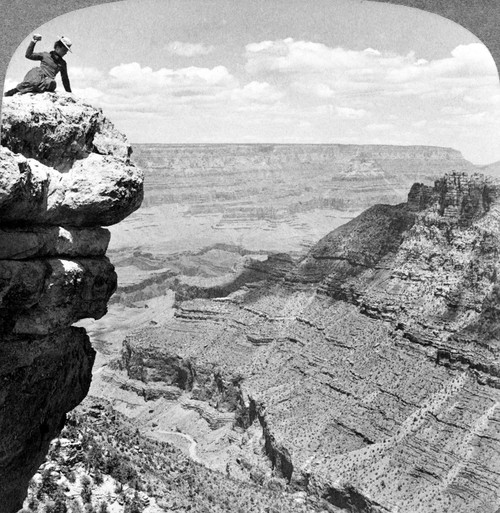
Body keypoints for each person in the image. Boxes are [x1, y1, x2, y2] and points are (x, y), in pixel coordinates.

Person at [4, 34, 72, 96]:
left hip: (47, 82)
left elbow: (65, 79)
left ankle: (31, 89)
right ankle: (15, 90)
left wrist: (69, 93)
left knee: (52, 83)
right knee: (36, 75)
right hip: (36, 76)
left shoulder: (63, 63)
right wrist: (34, 41)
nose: (65, 53)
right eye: (64, 50)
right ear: (57, 47)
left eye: (66, 51)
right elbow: (28, 55)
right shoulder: (45, 55)